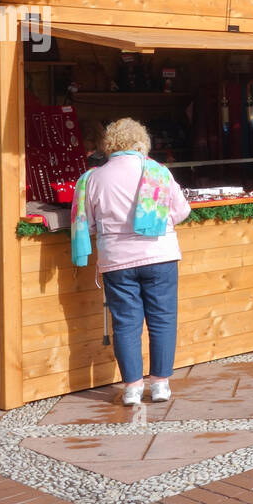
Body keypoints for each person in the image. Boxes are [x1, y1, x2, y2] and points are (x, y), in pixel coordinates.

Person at [71, 118, 191, 405]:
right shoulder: (158, 172)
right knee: (162, 320)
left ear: (109, 145)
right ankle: (160, 385)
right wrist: (159, 223)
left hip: (116, 260)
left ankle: (132, 389)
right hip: (159, 255)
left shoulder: (93, 178)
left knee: (125, 324)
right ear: (141, 143)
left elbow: (85, 224)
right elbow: (182, 211)